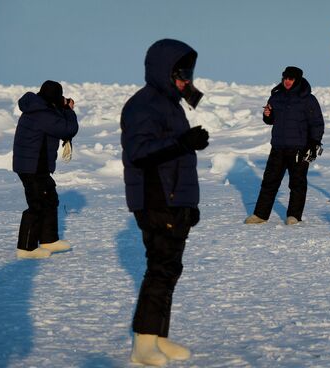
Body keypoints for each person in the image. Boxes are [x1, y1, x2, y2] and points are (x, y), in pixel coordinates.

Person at [120, 39, 209, 366]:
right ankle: (143, 345)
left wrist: (189, 204)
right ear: (164, 72)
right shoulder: (143, 105)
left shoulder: (170, 105)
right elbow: (140, 153)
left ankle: (158, 337)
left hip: (173, 200)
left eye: (189, 73)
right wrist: (182, 141)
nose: (188, 80)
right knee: (160, 269)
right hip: (156, 200)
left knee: (170, 268)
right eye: (182, 73)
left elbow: (175, 158)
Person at [244, 66, 324, 225]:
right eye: (285, 78)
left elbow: (317, 124)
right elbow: (271, 120)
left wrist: (314, 144)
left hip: (299, 149)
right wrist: (267, 115)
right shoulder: (276, 97)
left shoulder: (308, 99)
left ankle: (293, 216)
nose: (287, 81)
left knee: (297, 184)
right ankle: (260, 215)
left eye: (291, 78)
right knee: (269, 182)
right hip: (278, 147)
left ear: (297, 80)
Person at [12, 80, 79, 259]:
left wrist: (62, 107)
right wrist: (68, 110)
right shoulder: (42, 113)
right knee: (37, 204)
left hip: (35, 165)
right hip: (32, 167)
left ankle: (49, 240)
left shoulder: (39, 107)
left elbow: (55, 120)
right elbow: (67, 129)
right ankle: (26, 248)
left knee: (50, 199)